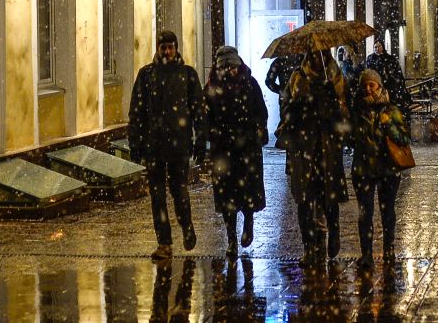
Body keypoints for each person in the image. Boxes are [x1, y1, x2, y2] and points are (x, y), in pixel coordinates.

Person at [128, 28, 206, 259]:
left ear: (176, 48)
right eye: (164, 47)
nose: (168, 51)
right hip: (154, 147)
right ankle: (164, 243)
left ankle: (187, 226)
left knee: (179, 190)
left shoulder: (187, 75)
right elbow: (137, 112)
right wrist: (135, 141)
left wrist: (200, 139)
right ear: (158, 48)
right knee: (157, 195)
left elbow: (198, 111)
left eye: (171, 47)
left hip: (179, 146)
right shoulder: (146, 75)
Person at [280, 47, 350, 265]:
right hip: (302, 150)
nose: (316, 60)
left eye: (319, 55)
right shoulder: (297, 79)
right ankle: (310, 247)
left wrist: (331, 101)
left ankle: (333, 231)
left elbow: (345, 116)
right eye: (312, 56)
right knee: (304, 201)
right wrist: (299, 101)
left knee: (328, 198)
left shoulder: (335, 79)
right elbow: (286, 113)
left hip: (326, 150)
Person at [202, 45, 269, 260]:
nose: (230, 71)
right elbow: (205, 117)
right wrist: (210, 132)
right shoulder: (212, 88)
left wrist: (258, 128)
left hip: (246, 147)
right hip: (223, 149)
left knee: (247, 190)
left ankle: (248, 222)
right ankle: (231, 239)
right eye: (226, 67)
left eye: (233, 67)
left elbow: (261, 111)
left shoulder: (249, 84)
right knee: (226, 196)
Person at [348, 68, 411, 269]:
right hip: (363, 169)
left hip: (387, 169)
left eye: (372, 85)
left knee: (388, 211)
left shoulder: (391, 110)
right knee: (365, 213)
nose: (368, 89)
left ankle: (388, 249)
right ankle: (366, 253)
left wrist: (388, 126)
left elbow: (404, 138)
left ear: (379, 86)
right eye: (365, 85)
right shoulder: (355, 111)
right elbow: (348, 139)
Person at [363, 36, 412, 125]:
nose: (377, 49)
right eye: (375, 47)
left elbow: (396, 73)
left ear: (382, 47)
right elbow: (368, 72)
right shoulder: (370, 58)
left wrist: (392, 80)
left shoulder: (390, 59)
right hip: (377, 86)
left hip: (389, 86)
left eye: (379, 46)